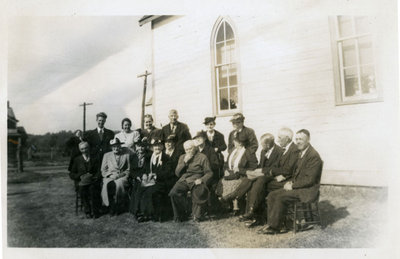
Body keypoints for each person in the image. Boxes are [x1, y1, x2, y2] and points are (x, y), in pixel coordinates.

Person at [260, 129, 323, 235]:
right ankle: (275, 224)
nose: (298, 142)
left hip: (308, 190)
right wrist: (290, 182)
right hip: (300, 187)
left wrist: (293, 185)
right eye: (297, 139)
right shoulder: (302, 153)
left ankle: (276, 226)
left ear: (308, 140)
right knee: (272, 194)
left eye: (301, 139)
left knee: (280, 196)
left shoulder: (313, 156)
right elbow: (296, 174)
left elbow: (309, 180)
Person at [236, 133, 283, 227]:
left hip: (273, 176)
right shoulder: (263, 151)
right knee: (250, 180)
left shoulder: (279, 151)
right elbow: (260, 165)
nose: (261, 146)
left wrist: (261, 171)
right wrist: (255, 171)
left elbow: (277, 168)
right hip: (263, 175)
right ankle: (251, 215)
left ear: (268, 144)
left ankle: (251, 210)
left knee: (258, 182)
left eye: (262, 144)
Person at [169, 140, 213, 222]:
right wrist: (184, 162)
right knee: (174, 192)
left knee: (199, 191)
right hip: (184, 179)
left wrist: (202, 180)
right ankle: (180, 215)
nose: (188, 151)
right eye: (186, 149)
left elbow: (209, 173)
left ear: (195, 148)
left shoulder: (202, 157)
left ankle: (197, 215)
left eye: (190, 149)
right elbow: (177, 173)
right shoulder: (182, 157)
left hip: (197, 179)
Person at [216, 136, 258, 216]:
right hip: (230, 174)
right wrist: (225, 171)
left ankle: (236, 207)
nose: (233, 142)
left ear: (240, 143)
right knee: (222, 181)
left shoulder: (248, 152)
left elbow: (253, 167)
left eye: (235, 141)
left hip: (241, 175)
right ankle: (228, 205)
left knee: (235, 183)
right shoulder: (232, 151)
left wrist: (240, 170)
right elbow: (226, 163)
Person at [69, 141, 101, 218]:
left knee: (93, 190)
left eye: (86, 148)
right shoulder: (77, 160)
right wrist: (79, 176)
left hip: (93, 181)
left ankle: (95, 211)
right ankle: (87, 211)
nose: (85, 150)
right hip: (81, 182)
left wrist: (96, 177)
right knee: (83, 190)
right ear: (80, 150)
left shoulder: (94, 158)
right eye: (82, 149)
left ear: (89, 148)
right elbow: (71, 173)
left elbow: (99, 170)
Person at [101, 138, 131, 216]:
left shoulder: (126, 155)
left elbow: (128, 169)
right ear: (111, 147)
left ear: (120, 146)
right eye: (114, 146)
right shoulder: (107, 155)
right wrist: (110, 175)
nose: (116, 148)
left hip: (122, 176)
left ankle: (119, 206)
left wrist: (120, 175)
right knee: (108, 185)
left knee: (119, 184)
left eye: (117, 146)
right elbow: (103, 170)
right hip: (110, 176)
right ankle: (110, 206)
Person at [265, 127, 300, 193]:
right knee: (258, 180)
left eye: (279, 138)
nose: (277, 141)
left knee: (262, 183)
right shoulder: (283, 149)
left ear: (287, 139)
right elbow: (276, 165)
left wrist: (273, 172)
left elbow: (289, 170)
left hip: (288, 180)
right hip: (280, 176)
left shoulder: (294, 150)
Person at [129, 138, 152, 215]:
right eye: (138, 146)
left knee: (142, 188)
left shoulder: (149, 155)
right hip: (136, 177)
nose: (140, 148)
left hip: (146, 177)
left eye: (142, 146)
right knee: (137, 187)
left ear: (145, 147)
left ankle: (142, 210)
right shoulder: (133, 156)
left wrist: (145, 175)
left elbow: (150, 168)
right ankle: (136, 210)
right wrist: (136, 176)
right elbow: (131, 170)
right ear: (135, 146)